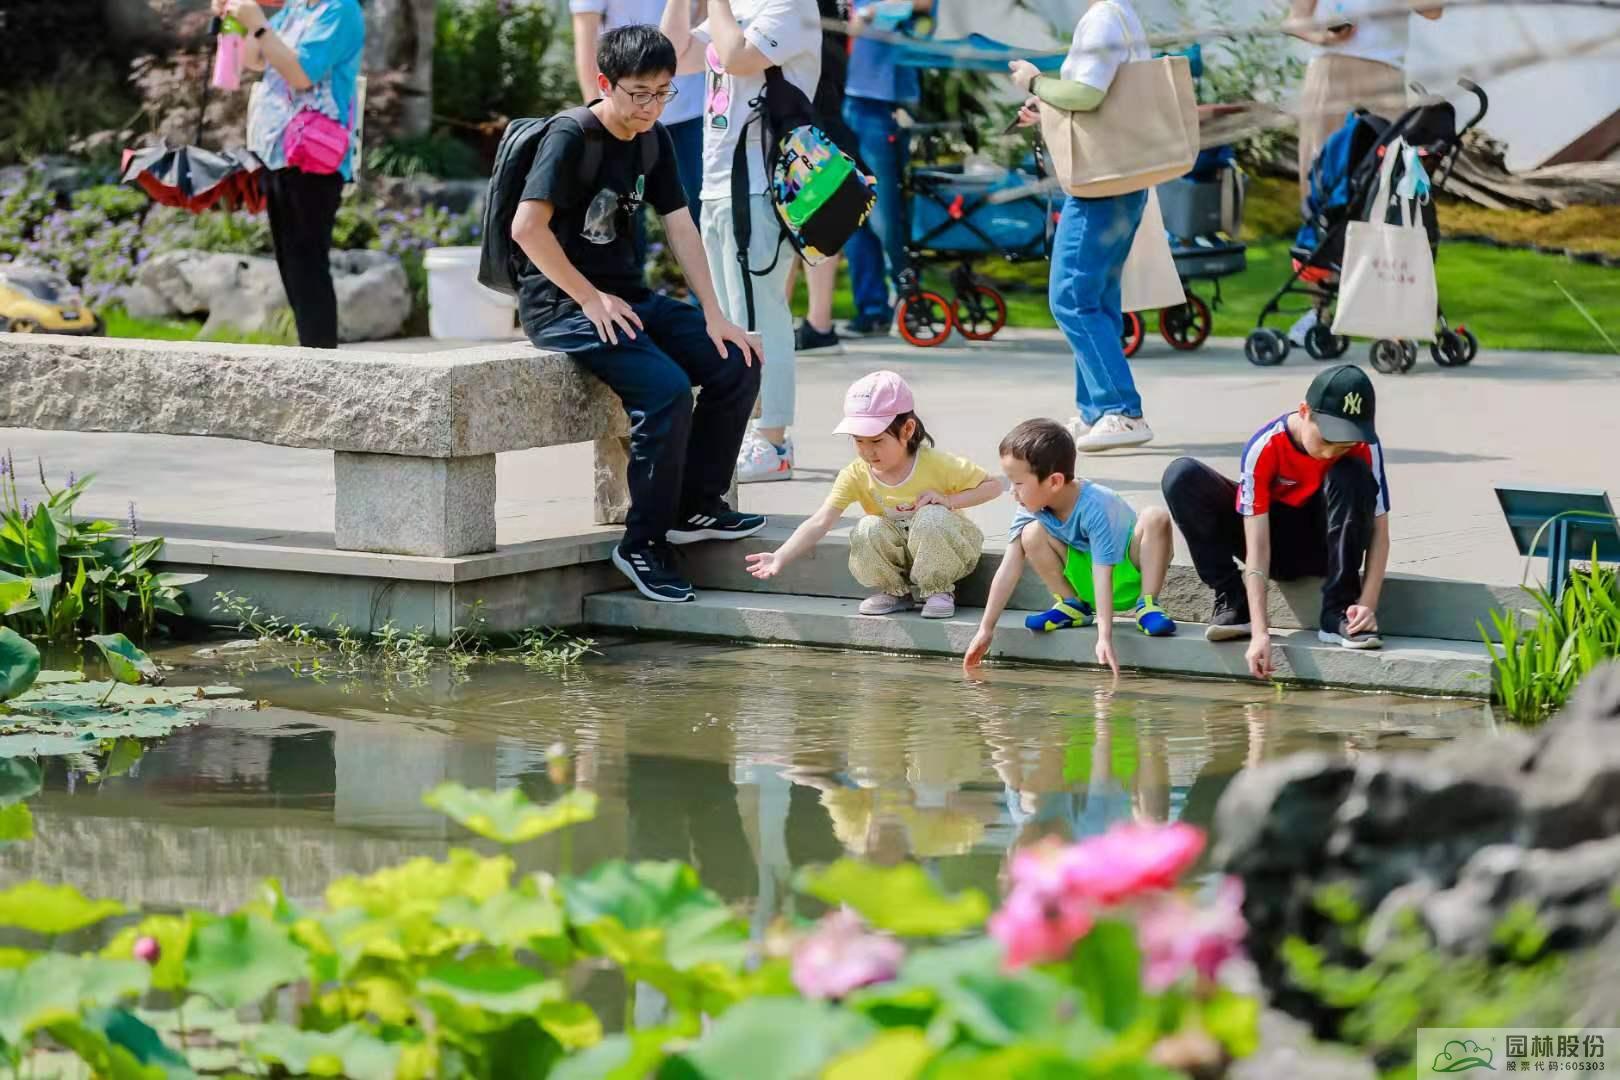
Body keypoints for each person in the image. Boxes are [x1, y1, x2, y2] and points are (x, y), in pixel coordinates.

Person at [511, 25, 766, 604]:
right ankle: (642, 543)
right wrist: (588, 297)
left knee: (736, 361)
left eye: (664, 92)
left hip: (626, 298)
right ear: (605, 84)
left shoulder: (654, 139)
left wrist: (714, 313)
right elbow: (526, 229)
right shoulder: (571, 137)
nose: (651, 106)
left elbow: (680, 224)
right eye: (639, 93)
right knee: (667, 390)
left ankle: (697, 505)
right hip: (563, 305)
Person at [662, 0, 822, 484]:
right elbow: (672, 56)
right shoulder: (739, 7)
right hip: (717, 182)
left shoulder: (787, 6)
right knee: (729, 319)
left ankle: (773, 440)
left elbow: (737, 58)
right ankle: (742, 433)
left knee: (761, 313)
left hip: (758, 184)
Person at [1160, 364, 1391, 680]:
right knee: (1182, 476)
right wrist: (1260, 632)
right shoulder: (1266, 446)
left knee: (1351, 473)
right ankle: (1233, 601)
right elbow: (1256, 548)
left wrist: (1368, 604)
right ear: (1305, 411)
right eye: (1328, 439)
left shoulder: (1367, 447)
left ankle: (1338, 612)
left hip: (1325, 545)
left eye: (1346, 443)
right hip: (1273, 546)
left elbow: (1380, 533)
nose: (1332, 451)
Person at [1009, 0, 1156, 453]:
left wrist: (1034, 79)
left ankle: (1121, 411)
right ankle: (1097, 410)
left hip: (1099, 184)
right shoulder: (1123, 15)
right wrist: (1048, 98)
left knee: (1071, 298)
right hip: (1122, 175)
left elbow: (1088, 96)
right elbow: (1095, 95)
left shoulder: (1101, 20)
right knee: (1096, 299)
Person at [744, 370, 1002, 619]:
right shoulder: (856, 473)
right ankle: (894, 591)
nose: (868, 451)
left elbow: (993, 486)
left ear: (907, 430)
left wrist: (949, 501)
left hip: (946, 551)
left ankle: (939, 589)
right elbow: (821, 521)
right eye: (859, 441)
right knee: (867, 526)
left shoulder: (936, 463)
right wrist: (780, 556)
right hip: (902, 554)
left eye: (877, 441)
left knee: (932, 516)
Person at [965, 419, 1177, 677]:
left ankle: (1147, 605)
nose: (1012, 492)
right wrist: (986, 629)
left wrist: (1105, 638)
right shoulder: (1029, 507)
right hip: (1086, 579)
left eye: (1018, 483)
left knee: (1155, 516)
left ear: (1053, 481)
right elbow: (1009, 567)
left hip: (1125, 572)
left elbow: (1104, 572)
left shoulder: (1096, 504)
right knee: (1030, 533)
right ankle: (1073, 605)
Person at [224, 0, 363, 349]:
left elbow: (302, 74)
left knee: (308, 265)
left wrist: (258, 24)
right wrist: (236, 20)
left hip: (314, 157)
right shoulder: (298, 10)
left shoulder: (340, 10)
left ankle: (323, 362)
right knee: (292, 264)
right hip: (277, 153)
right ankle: (312, 355)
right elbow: (255, 60)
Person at [1288, 0, 1444, 204]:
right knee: (1321, 159)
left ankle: (1382, 231)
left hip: (1386, 70)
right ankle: (1321, 230)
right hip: (1329, 66)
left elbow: (1433, 10)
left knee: (1389, 161)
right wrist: (1323, 37)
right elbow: (1295, 21)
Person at [841, 0, 932, 339]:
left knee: (884, 213)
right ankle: (871, 309)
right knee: (851, 208)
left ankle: (909, 301)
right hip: (846, 98)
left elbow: (923, 5)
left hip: (883, 103)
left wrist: (872, 13)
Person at [573, 0, 706, 211]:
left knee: (697, 205)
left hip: (689, 108)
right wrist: (595, 116)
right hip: (624, 115)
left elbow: (705, 16)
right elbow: (586, 46)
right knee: (624, 210)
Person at [788, 0, 855, 354]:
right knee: (815, 221)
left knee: (799, 222)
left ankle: (807, 323)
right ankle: (816, 323)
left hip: (809, 114)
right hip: (825, 111)